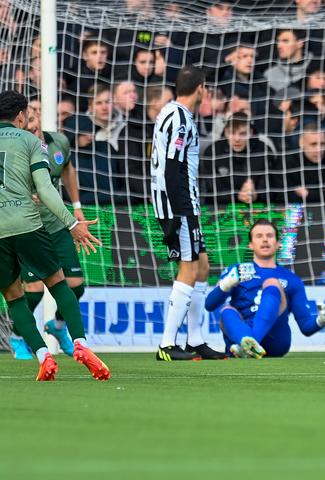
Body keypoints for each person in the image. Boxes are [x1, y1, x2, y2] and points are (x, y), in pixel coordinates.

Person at [0, 90, 108, 381]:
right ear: (20, 117)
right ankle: (80, 343)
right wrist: (71, 223)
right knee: (57, 282)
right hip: (27, 225)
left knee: (14, 298)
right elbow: (45, 189)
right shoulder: (30, 140)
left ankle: (43, 355)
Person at [150, 66, 225, 361]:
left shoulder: (170, 112)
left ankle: (195, 339)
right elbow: (172, 166)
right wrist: (180, 211)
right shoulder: (180, 118)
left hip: (181, 202)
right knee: (189, 268)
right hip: (177, 204)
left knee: (202, 265)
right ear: (202, 88)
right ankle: (167, 344)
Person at [8, 98, 86, 360]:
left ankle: (58, 325)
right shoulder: (15, 148)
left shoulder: (58, 143)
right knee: (34, 290)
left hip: (57, 223)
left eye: (39, 110)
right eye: (30, 111)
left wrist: (76, 206)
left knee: (76, 285)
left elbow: (67, 171)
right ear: (21, 116)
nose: (34, 116)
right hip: (29, 227)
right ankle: (19, 336)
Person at [204, 219, 325, 358]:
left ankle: (250, 344)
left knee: (272, 284)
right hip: (241, 333)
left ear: (278, 244)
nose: (265, 240)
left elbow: (306, 327)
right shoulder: (236, 271)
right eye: (259, 236)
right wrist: (227, 283)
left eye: (270, 236)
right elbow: (209, 305)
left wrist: (321, 321)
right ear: (250, 245)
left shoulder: (292, 279)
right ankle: (246, 342)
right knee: (227, 310)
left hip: (275, 341)